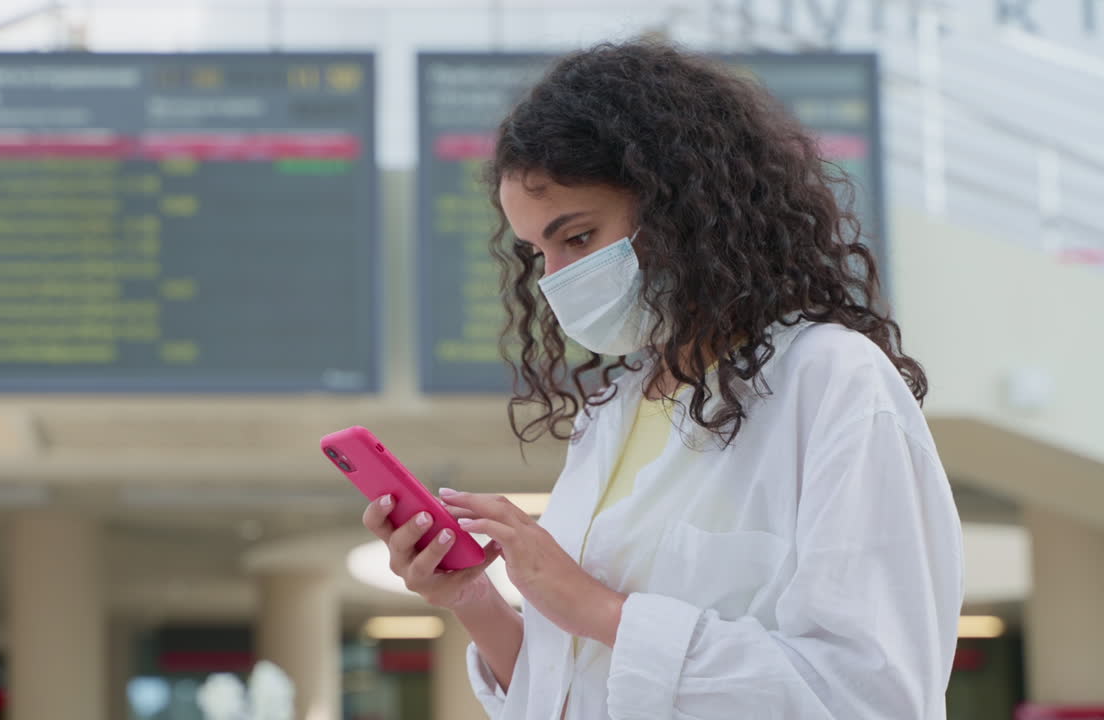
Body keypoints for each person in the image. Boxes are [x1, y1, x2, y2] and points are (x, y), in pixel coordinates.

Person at [361, 40, 963, 719]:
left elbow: (874, 696)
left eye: (579, 238)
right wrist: (473, 598)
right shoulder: (615, 409)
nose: (556, 280)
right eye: (539, 253)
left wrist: (597, 608)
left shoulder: (832, 382)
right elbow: (580, 687)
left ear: (681, 207)